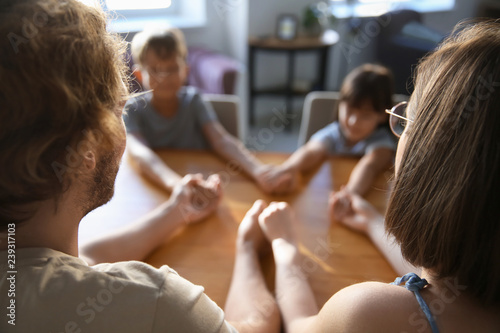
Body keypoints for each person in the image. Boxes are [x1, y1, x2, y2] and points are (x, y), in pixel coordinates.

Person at [0, 1, 280, 332]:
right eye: (120, 109)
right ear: (88, 147)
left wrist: (177, 211)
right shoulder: (155, 304)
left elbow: (74, 258)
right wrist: (247, 247)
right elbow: (253, 325)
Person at [256, 21, 500, 332]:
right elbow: (444, 281)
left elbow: (301, 326)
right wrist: (372, 221)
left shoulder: (366, 315)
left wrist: (284, 244)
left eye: (406, 121)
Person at [124, 27, 289, 194]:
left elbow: (221, 140)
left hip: (199, 179)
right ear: (139, 74)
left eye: (172, 69)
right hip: (158, 187)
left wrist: (258, 170)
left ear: (185, 70)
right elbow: (140, 153)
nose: (164, 77)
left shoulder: (193, 101)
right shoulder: (133, 109)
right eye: (155, 70)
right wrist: (176, 184)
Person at [264, 64, 397, 213]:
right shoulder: (334, 132)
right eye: (349, 110)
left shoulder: (382, 141)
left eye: (365, 115)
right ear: (340, 105)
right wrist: (289, 168)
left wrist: (350, 194)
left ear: (383, 116)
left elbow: (369, 166)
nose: (353, 121)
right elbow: (312, 150)